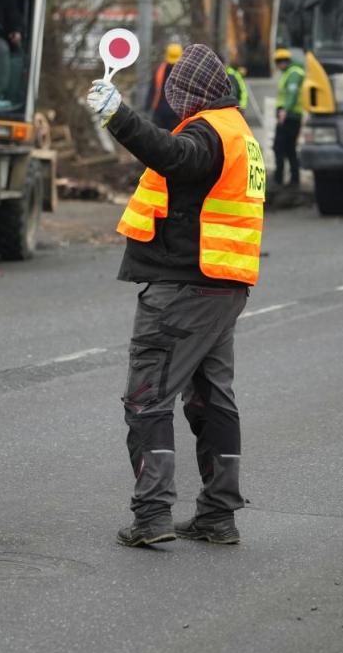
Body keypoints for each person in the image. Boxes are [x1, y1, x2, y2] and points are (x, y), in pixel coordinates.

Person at [85, 44, 265, 548]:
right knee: (211, 401)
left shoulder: (207, 133)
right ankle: (217, 515)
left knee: (147, 399)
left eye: (180, 93)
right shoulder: (238, 133)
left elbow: (172, 155)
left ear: (192, 93)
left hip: (185, 287)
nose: (177, 103)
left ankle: (151, 515)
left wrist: (119, 117)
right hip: (221, 285)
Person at [272, 48, 305, 186]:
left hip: (289, 117)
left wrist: (284, 111)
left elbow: (291, 94)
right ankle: (293, 180)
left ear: (283, 62)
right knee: (289, 148)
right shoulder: (290, 72)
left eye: (277, 63)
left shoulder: (293, 73)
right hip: (290, 116)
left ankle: (279, 179)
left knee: (279, 147)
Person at [145, 43, 183, 130]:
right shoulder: (185, 72)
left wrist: (147, 107)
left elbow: (152, 90)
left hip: (160, 112)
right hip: (178, 114)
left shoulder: (160, 70)